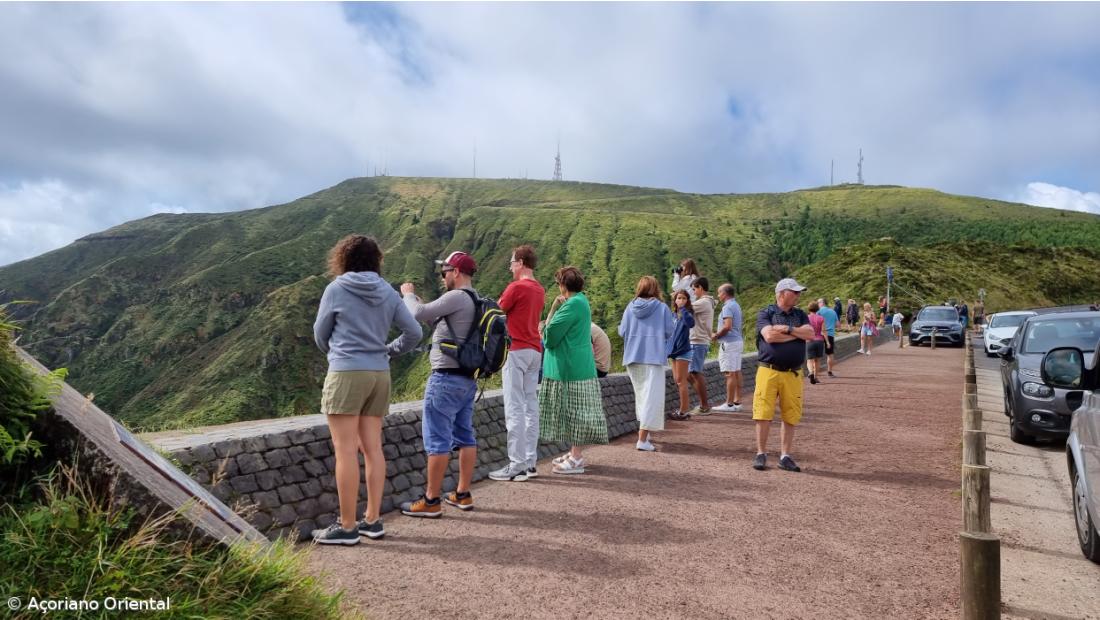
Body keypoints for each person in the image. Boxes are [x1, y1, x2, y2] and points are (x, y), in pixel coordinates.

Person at [311, 235, 422, 545]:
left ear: (343, 258)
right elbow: (414, 332)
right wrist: (388, 350)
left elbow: (320, 334)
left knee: (345, 450)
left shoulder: (336, 289)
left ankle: (347, 526)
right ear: (376, 260)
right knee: (373, 449)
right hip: (379, 374)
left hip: (347, 372)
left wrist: (339, 353)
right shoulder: (387, 291)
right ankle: (372, 521)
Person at [399, 251, 481, 517]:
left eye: (444, 272)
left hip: (445, 378)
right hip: (466, 379)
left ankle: (431, 500)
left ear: (456, 272)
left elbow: (416, 313)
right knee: (465, 435)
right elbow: (439, 322)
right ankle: (462, 494)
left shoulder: (456, 296)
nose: (442, 277)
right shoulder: (475, 299)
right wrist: (424, 308)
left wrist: (408, 295)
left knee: (437, 440)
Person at [541, 267, 609, 474]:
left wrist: (553, 309)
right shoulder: (581, 301)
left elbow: (549, 336)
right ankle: (574, 454)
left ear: (563, 285)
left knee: (576, 413)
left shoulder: (572, 305)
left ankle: (577, 458)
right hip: (577, 366)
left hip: (571, 368)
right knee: (575, 412)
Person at [490, 245, 545, 483]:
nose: (510, 267)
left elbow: (496, 311)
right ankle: (530, 462)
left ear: (521, 262)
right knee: (530, 406)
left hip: (516, 350)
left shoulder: (516, 287)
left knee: (514, 406)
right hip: (535, 350)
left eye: (512, 262)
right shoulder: (540, 289)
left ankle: (516, 465)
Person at [752, 278, 813, 472]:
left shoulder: (800, 314)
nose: (798, 295)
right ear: (781, 294)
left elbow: (810, 334)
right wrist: (796, 335)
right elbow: (769, 336)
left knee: (791, 414)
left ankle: (785, 455)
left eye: (798, 292)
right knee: (763, 413)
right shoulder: (766, 313)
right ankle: (761, 453)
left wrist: (787, 329)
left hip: (793, 372)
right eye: (794, 292)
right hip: (768, 370)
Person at [619, 276, 674, 451]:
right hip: (653, 357)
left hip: (632, 356)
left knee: (642, 396)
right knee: (652, 397)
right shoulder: (662, 308)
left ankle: (646, 432)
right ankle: (642, 440)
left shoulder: (630, 306)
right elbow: (669, 331)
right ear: (655, 288)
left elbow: (622, 331)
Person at [711, 283, 744, 412]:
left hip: (729, 343)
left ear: (724, 294)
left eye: (719, 292)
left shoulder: (727, 307)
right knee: (736, 371)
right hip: (737, 341)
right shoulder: (736, 305)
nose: (718, 295)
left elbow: (727, 326)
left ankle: (729, 404)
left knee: (729, 373)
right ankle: (737, 401)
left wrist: (716, 336)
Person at [687, 278, 716, 415]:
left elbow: (684, 309)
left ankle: (704, 406)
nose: (693, 292)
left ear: (700, 288)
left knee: (695, 373)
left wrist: (677, 298)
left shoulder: (703, 302)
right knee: (690, 374)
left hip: (698, 341)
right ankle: (703, 404)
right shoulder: (707, 302)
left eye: (694, 289)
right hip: (698, 341)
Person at [667, 289, 695, 420]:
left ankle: (683, 411)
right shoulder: (673, 315)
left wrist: (683, 309)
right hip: (673, 352)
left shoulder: (687, 313)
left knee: (680, 381)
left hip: (683, 351)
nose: (681, 300)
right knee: (677, 380)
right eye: (679, 298)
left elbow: (691, 323)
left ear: (687, 300)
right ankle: (683, 409)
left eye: (684, 298)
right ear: (675, 300)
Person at [816, 297, 839, 377]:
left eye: (818, 302)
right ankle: (829, 372)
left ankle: (815, 372)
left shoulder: (818, 312)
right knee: (830, 354)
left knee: (817, 354)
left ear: (822, 303)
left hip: (819, 335)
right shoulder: (833, 311)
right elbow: (837, 325)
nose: (817, 304)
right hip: (830, 335)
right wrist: (831, 325)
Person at [806, 302, 826, 384]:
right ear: (817, 309)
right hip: (819, 341)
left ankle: (811, 372)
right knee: (817, 360)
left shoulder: (806, 318)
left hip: (809, 340)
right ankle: (815, 377)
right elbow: (823, 331)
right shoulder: (821, 318)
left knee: (809, 360)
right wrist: (827, 342)